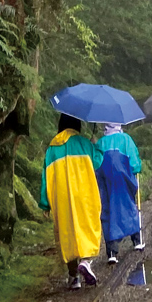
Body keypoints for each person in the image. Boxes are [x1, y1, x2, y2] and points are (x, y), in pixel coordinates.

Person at [39, 115, 103, 288]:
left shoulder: (52, 148)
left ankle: (74, 277)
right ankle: (86, 261)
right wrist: (95, 145)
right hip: (84, 196)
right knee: (87, 227)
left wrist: (45, 203)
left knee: (67, 233)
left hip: (62, 199)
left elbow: (46, 178)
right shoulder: (84, 143)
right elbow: (97, 162)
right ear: (77, 124)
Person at [96, 122, 145, 262]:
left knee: (108, 210)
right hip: (123, 179)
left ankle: (111, 251)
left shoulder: (100, 143)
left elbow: (96, 163)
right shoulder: (126, 139)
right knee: (129, 206)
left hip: (106, 181)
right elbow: (135, 164)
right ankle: (136, 240)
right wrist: (136, 169)